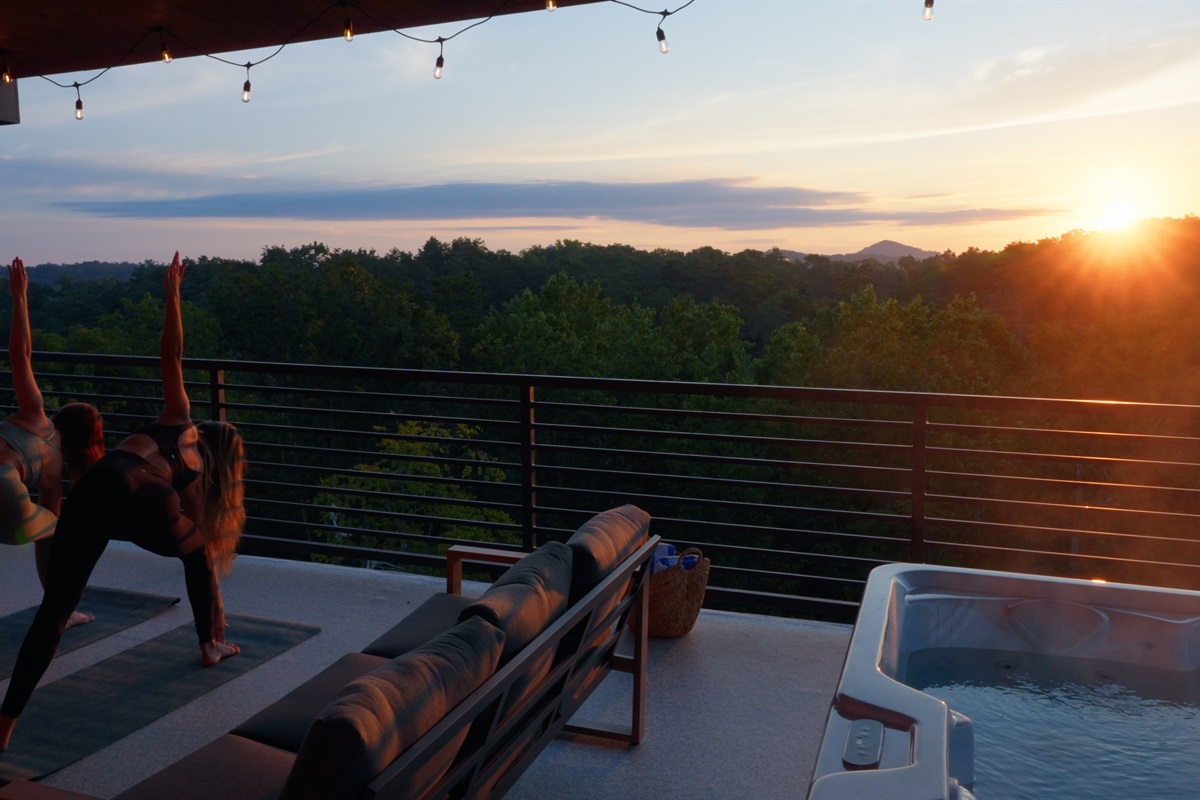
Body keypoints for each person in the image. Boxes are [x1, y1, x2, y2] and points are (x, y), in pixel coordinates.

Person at [0, 253, 245, 752]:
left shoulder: (176, 417)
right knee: (196, 552)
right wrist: (216, 616)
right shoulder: (196, 469)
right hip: (143, 498)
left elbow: (170, 357)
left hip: (101, 483)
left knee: (55, 611)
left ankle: (4, 726)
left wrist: (172, 296)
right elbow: (198, 554)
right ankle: (209, 646)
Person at [2, 257, 105, 626]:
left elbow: (20, 355)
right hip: (5, 492)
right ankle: (61, 612)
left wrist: (20, 298)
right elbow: (49, 534)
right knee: (54, 535)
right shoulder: (54, 473)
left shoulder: (34, 413)